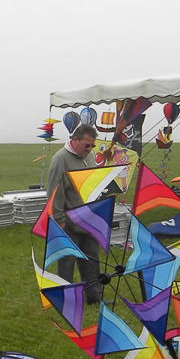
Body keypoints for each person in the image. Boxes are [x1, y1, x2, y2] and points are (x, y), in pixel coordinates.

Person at [46, 123, 102, 304]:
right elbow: (54, 193)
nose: (90, 149)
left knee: (92, 260)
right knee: (66, 263)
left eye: (92, 145)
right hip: (68, 223)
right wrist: (60, 221)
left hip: (89, 220)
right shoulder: (60, 160)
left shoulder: (90, 156)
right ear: (75, 140)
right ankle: (65, 300)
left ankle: (94, 297)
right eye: (86, 145)